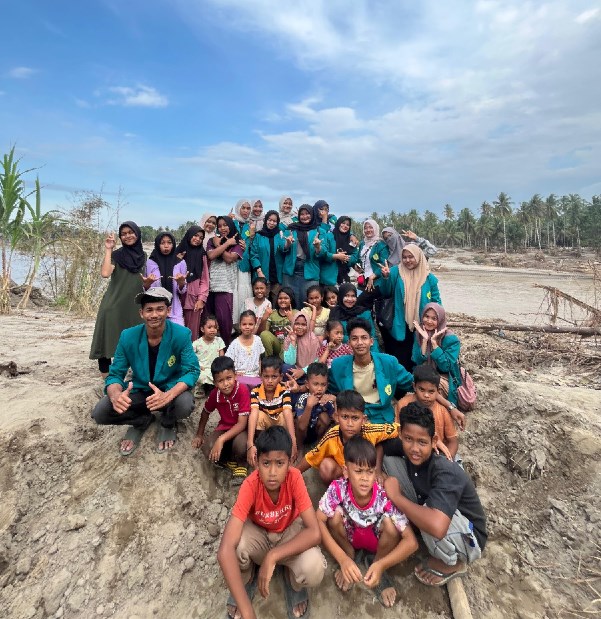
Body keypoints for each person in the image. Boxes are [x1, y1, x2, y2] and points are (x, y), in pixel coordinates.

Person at [217, 426, 326, 619]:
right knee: (235, 547)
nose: (273, 472)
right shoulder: (250, 484)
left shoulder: (294, 478)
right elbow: (224, 550)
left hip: (288, 535)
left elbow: (314, 532)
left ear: (290, 462)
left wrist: (273, 556)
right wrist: (248, 612)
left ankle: (293, 581)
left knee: (314, 567)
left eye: (280, 463)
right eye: (266, 463)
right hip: (259, 536)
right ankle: (245, 580)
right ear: (256, 462)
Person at [384, 402, 487, 587]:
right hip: (435, 508)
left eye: (422, 442)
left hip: (468, 534)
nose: (414, 448)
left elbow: (438, 526)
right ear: (401, 435)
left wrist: (397, 497)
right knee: (389, 461)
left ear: (434, 441)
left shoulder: (445, 469)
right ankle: (419, 522)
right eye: (408, 439)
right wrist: (377, 472)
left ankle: (454, 564)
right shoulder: (409, 446)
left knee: (431, 519)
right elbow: (380, 446)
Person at [91, 287, 199, 455]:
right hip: (141, 390)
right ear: (141, 313)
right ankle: (141, 420)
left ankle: (167, 422)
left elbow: (191, 370)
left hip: (169, 389)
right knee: (101, 412)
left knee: (185, 404)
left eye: (160, 309)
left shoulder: (182, 334)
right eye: (149, 310)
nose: (154, 315)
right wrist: (115, 395)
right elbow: (115, 374)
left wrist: (168, 395)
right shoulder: (128, 336)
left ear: (168, 311)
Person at [316, 436, 418, 607]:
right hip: (349, 536)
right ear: (346, 471)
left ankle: (376, 565)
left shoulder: (383, 496)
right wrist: (342, 558)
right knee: (333, 517)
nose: (365, 478)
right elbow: (318, 519)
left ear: (375, 472)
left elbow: (411, 542)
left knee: (391, 526)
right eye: (358, 471)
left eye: (370, 472)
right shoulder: (338, 488)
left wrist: (382, 564)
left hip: (377, 540)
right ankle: (350, 556)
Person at [296, 390, 397, 485]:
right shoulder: (331, 436)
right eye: (345, 417)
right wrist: (291, 475)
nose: (350, 424)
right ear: (337, 417)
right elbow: (311, 457)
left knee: (386, 482)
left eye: (355, 418)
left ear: (363, 419)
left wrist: (378, 471)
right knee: (326, 466)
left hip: (366, 473)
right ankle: (336, 491)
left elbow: (398, 429)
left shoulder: (371, 431)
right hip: (343, 473)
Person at [328, 318, 413, 424]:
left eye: (364, 338)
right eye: (354, 338)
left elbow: (412, 384)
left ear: (371, 341)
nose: (360, 343)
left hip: (382, 418)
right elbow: (328, 389)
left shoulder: (388, 362)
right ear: (349, 343)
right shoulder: (338, 365)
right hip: (353, 418)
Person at [89, 221, 145, 377]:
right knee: (106, 341)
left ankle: (137, 376)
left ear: (137, 233)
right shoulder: (117, 255)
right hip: (113, 305)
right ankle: (107, 379)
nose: (127, 236)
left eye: (130, 232)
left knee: (137, 341)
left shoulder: (144, 257)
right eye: (123, 234)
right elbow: (105, 273)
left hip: (135, 307)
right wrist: (109, 249)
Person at [377, 244, 441, 372]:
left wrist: (438, 321)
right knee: (400, 360)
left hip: (421, 325)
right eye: (404, 257)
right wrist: (385, 277)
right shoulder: (395, 272)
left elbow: (436, 302)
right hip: (399, 323)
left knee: (418, 359)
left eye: (411, 257)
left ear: (418, 257)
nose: (407, 260)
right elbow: (385, 292)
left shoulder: (429, 278)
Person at [192, 356, 250, 485]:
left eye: (229, 378)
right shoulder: (215, 394)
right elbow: (205, 411)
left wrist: (221, 439)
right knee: (207, 449)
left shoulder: (242, 390)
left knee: (241, 445)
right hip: (225, 427)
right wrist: (199, 434)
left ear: (235, 376)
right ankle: (228, 461)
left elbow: (242, 424)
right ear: (215, 382)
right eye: (220, 381)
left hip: (241, 429)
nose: (226, 384)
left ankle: (242, 464)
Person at [389, 364, 462, 459]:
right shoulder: (403, 404)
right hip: (410, 452)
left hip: (436, 455)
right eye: (422, 390)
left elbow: (453, 441)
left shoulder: (442, 411)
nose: (426, 395)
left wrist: (448, 459)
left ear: (438, 391)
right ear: (414, 387)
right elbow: (397, 433)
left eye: (431, 391)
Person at [247, 356, 296, 467]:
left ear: (280, 377)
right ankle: (262, 446)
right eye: (266, 376)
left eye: (274, 377)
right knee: (258, 415)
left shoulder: (284, 390)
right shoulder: (255, 391)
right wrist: (250, 443)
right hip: (266, 425)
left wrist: (293, 442)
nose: (270, 381)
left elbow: (287, 412)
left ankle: (283, 445)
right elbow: (254, 413)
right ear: (261, 376)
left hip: (279, 425)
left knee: (285, 415)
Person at [412, 302, 462, 406]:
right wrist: (425, 341)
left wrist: (434, 344)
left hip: (444, 377)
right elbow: (417, 361)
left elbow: (446, 367)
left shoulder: (451, 339)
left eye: (434, 318)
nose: (429, 321)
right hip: (424, 374)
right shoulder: (419, 334)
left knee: (431, 391)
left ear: (440, 320)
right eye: (426, 316)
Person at [206, 216, 244, 346]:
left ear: (231, 226)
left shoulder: (238, 242)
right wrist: (225, 244)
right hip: (209, 286)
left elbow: (229, 258)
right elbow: (211, 255)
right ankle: (210, 349)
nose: (222, 228)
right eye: (220, 226)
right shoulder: (212, 240)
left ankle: (226, 349)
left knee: (224, 321)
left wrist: (220, 245)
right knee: (208, 321)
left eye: (225, 225)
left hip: (225, 287)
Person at [282, 204, 323, 308]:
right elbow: (281, 248)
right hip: (291, 270)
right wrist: (287, 244)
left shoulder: (318, 230)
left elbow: (323, 253)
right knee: (291, 302)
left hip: (310, 270)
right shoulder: (291, 229)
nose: (305, 216)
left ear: (312, 214)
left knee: (309, 303)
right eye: (302, 214)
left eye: (307, 214)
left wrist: (318, 247)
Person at [143, 232, 188, 325]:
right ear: (157, 244)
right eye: (162, 243)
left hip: (174, 310)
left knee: (178, 333)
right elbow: (147, 290)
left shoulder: (181, 263)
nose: (166, 246)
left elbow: (182, 291)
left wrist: (181, 283)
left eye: (169, 242)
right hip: (155, 311)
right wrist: (147, 284)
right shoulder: (150, 263)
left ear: (173, 244)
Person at [175, 225, 210, 341]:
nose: (198, 239)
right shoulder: (177, 253)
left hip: (193, 299)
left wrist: (201, 299)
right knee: (176, 331)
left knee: (191, 333)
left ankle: (190, 353)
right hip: (176, 298)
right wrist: (177, 260)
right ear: (189, 235)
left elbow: (204, 279)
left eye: (201, 237)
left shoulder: (202, 254)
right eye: (195, 235)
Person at [293, 362, 335, 447]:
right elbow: (301, 427)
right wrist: (309, 406)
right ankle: (299, 448)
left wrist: (335, 401)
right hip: (303, 433)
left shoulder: (327, 400)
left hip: (316, 433)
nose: (320, 389)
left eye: (323, 385)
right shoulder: (303, 398)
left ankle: (318, 446)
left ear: (327, 385)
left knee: (325, 418)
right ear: (307, 385)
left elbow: (337, 422)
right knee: (296, 421)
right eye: (315, 384)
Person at [329, 283, 379, 352]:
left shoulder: (364, 313)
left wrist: (374, 355)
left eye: (353, 296)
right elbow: (334, 335)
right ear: (340, 296)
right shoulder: (335, 313)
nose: (350, 299)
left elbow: (372, 336)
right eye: (346, 296)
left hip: (365, 350)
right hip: (341, 351)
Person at [250, 210, 286, 297]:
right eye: (269, 220)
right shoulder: (258, 235)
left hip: (277, 276)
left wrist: (287, 244)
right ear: (265, 220)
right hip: (262, 275)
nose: (271, 223)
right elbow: (253, 255)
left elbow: (284, 249)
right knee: (262, 301)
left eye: (274, 221)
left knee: (276, 302)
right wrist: (259, 272)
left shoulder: (280, 235)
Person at [226, 310, 265, 388]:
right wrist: (234, 373)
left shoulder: (257, 340)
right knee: (245, 386)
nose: (247, 327)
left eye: (250, 324)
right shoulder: (235, 344)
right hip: (240, 377)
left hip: (255, 376)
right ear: (240, 326)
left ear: (255, 325)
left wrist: (261, 374)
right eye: (244, 324)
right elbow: (227, 362)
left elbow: (259, 359)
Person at [192, 314, 225, 396]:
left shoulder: (219, 340)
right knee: (199, 375)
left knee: (221, 374)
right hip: (202, 368)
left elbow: (222, 356)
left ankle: (213, 387)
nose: (213, 330)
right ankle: (200, 387)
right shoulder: (196, 343)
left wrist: (221, 365)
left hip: (215, 368)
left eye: (215, 327)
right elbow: (192, 357)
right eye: (209, 327)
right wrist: (198, 365)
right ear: (202, 329)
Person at [258, 287, 295, 358]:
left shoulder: (297, 313)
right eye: (280, 298)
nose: (282, 300)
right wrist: (264, 318)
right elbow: (263, 332)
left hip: (290, 344)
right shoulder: (272, 313)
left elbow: (300, 332)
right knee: (264, 334)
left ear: (291, 299)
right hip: (277, 345)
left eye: (286, 298)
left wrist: (291, 319)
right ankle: (269, 360)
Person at [282, 308, 320, 378]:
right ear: (293, 324)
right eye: (297, 324)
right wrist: (293, 342)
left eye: (303, 324)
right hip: (294, 371)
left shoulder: (313, 339)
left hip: (310, 372)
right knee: (285, 367)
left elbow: (316, 361)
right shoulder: (289, 338)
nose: (300, 327)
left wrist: (303, 371)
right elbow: (289, 362)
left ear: (307, 325)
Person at [356, 219, 389, 294]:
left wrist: (373, 276)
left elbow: (384, 265)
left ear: (375, 228)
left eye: (371, 227)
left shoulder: (381, 245)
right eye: (365, 228)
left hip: (376, 281)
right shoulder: (362, 244)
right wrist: (356, 266)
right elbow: (359, 259)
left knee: (362, 299)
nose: (368, 230)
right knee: (356, 298)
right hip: (362, 280)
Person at [330, 216, 359, 285]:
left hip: (345, 274)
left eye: (348, 225)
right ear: (338, 223)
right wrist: (337, 256)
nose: (345, 226)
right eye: (343, 223)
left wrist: (346, 258)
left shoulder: (351, 240)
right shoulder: (330, 236)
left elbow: (355, 255)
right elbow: (325, 252)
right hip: (330, 274)